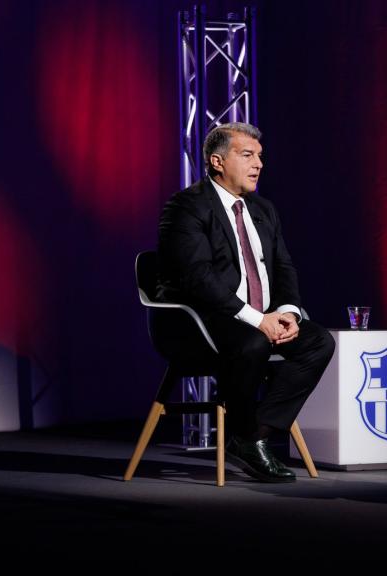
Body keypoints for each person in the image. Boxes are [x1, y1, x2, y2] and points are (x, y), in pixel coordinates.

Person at [156, 122, 335, 483]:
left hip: (259, 317)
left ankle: (251, 436)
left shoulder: (263, 209)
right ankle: (249, 435)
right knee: (252, 341)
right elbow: (196, 278)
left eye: (260, 157)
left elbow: (283, 268)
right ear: (217, 161)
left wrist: (287, 313)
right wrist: (257, 319)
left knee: (319, 342)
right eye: (247, 155)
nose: (259, 164)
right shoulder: (187, 206)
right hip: (204, 320)